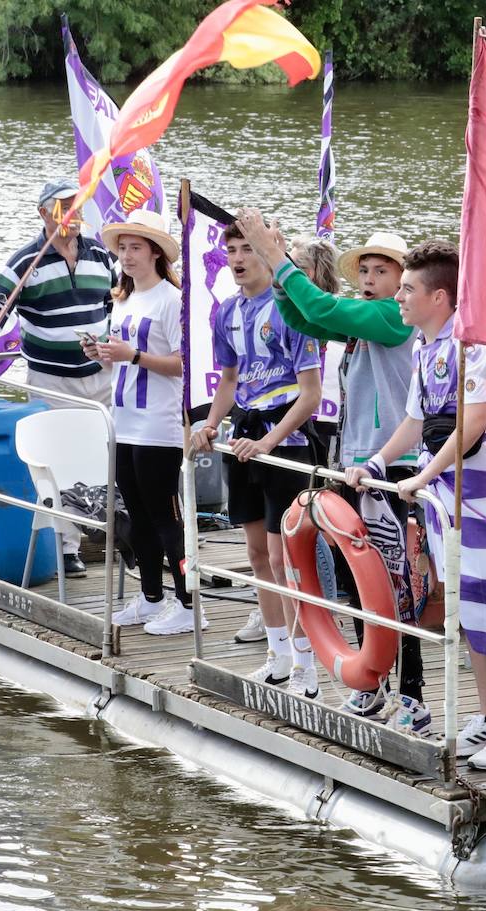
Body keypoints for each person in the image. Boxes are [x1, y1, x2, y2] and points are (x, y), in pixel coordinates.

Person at [345, 240, 486, 770]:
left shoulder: (470, 347)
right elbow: (414, 422)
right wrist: (376, 464)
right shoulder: (422, 348)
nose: (400, 298)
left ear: (440, 296)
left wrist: (425, 475)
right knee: (469, 607)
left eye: (407, 289)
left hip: (480, 494)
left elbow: (473, 425)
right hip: (443, 497)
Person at [237, 214, 434, 733]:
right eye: (363, 270)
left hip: (395, 467)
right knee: (358, 578)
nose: (369, 279)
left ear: (403, 281)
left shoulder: (394, 319)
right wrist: (281, 279)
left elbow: (321, 306)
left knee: (399, 585)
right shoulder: (361, 323)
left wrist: (274, 257)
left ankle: (412, 696)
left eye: (381, 271)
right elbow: (307, 320)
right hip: (353, 464)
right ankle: (371, 685)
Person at [190, 216, 322, 695]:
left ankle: (307, 662)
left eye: (248, 248)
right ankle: (277, 655)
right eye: (232, 251)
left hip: (283, 442)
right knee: (255, 556)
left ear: (268, 251)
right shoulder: (224, 312)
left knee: (284, 556)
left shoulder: (291, 310)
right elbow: (228, 380)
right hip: (242, 438)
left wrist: (268, 442)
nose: (239, 259)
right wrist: (208, 425)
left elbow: (311, 394)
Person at [0, 178, 117, 577]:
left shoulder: (100, 254)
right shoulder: (26, 261)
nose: (73, 215)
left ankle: (116, 532)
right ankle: (67, 548)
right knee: (58, 461)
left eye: (77, 206)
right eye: (63, 207)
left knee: (109, 455)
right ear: (44, 214)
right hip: (52, 378)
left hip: (102, 374)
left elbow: (118, 301)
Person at [79, 210, 195, 633]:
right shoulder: (123, 299)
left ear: (156, 253)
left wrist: (133, 356)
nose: (127, 256)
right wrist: (104, 354)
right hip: (123, 420)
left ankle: (186, 601)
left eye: (135, 248)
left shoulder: (170, 300)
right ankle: (150, 596)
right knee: (136, 514)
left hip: (158, 425)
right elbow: (124, 357)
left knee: (165, 516)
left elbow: (185, 365)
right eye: (122, 248)